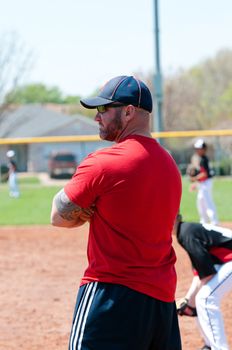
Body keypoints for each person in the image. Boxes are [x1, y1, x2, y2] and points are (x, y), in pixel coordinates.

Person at [50, 75, 182, 350]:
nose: (97, 118)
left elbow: (58, 215)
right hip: (161, 304)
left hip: (111, 296)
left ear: (129, 111)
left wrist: (88, 212)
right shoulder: (169, 165)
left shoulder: (105, 162)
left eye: (103, 109)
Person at [174, 214, 232, 350]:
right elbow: (200, 273)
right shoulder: (187, 230)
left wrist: (188, 301)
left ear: (175, 218)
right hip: (227, 262)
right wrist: (188, 301)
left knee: (205, 299)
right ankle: (210, 345)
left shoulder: (185, 234)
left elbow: (207, 275)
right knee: (200, 299)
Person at [188, 139, 218, 225]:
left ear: (204, 149)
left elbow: (204, 174)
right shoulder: (201, 158)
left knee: (207, 202)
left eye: (199, 148)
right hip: (203, 183)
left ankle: (214, 221)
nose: (197, 150)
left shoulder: (204, 159)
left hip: (206, 183)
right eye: (196, 148)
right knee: (200, 201)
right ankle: (204, 221)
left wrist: (194, 179)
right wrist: (195, 184)